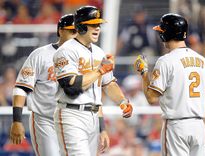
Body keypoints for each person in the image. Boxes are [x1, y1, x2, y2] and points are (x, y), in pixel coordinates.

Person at [53, 6, 133, 156]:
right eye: (93, 25)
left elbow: (108, 84)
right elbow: (71, 86)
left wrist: (122, 101)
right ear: (81, 26)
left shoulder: (98, 52)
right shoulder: (66, 50)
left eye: (99, 25)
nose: (98, 28)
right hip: (72, 115)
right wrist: (100, 70)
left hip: (93, 117)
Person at [134, 13, 205, 156]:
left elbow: (152, 98)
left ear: (166, 34)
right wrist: (202, 130)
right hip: (199, 125)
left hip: (176, 126)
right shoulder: (203, 61)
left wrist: (144, 73)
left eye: (161, 31)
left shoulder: (166, 61)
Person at [9, 14, 77, 156]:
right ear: (60, 31)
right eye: (71, 30)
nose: (74, 35)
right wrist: (17, 120)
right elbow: (21, 88)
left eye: (77, 31)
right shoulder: (40, 55)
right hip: (46, 120)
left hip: (74, 120)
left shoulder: (83, 57)